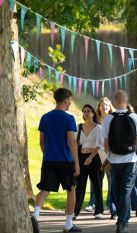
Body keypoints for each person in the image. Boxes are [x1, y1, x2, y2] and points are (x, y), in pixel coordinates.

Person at [33, 88, 81, 232]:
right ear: (66, 100)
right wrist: (77, 163)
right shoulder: (69, 118)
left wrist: (48, 153)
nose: (70, 103)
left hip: (48, 160)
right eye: (70, 100)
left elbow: (41, 142)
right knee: (71, 190)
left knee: (45, 189)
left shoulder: (45, 117)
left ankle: (35, 216)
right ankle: (68, 224)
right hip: (65, 161)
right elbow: (72, 142)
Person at [102, 90, 137, 233]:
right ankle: (122, 222)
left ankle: (122, 219)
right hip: (130, 159)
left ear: (114, 102)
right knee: (126, 190)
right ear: (126, 101)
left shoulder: (108, 119)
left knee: (117, 189)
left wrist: (108, 157)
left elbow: (106, 143)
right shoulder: (134, 117)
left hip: (114, 159)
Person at [85, 97, 117, 219]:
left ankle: (111, 204)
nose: (105, 107)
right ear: (98, 107)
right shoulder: (96, 121)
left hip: (110, 153)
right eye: (102, 105)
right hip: (98, 153)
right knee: (96, 180)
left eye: (107, 105)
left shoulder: (113, 119)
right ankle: (92, 203)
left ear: (110, 107)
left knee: (110, 179)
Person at [74, 104, 104, 219]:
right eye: (84, 111)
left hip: (94, 158)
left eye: (88, 111)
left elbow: (99, 145)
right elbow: (76, 144)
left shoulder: (98, 127)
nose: (86, 113)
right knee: (80, 186)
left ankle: (99, 211)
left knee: (97, 185)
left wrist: (90, 157)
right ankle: (75, 212)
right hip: (82, 157)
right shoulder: (79, 127)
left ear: (93, 113)